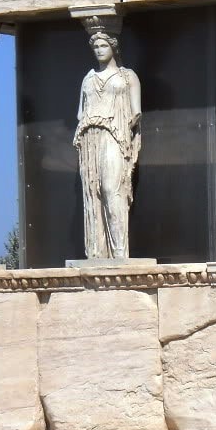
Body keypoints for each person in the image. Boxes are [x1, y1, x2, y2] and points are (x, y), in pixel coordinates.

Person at [74, 31, 141, 259]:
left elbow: (135, 113)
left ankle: (120, 252)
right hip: (90, 139)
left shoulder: (127, 76)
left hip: (115, 136)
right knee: (93, 193)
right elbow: (80, 113)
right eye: (96, 46)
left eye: (103, 45)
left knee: (112, 189)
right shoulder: (88, 78)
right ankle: (96, 253)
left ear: (113, 47)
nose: (99, 50)